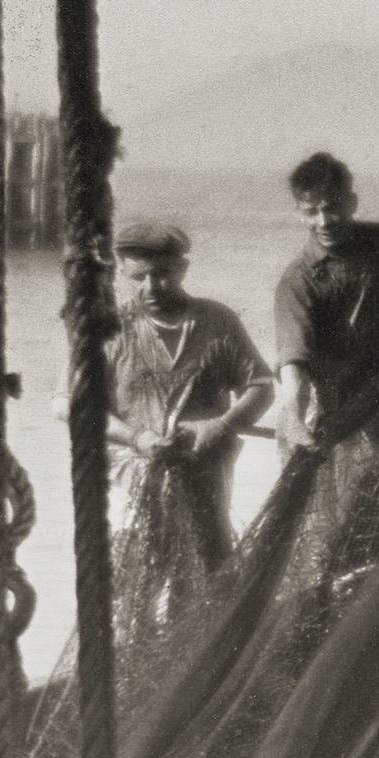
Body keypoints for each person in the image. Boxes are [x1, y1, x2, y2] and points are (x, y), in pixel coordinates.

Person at [53, 219, 272, 592]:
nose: (150, 287)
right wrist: (137, 437)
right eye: (137, 277)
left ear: (183, 268)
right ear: (121, 270)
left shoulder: (218, 321)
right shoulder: (105, 328)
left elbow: (261, 386)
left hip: (205, 477)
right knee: (136, 586)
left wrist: (223, 424)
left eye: (162, 274)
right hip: (129, 482)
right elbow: (66, 405)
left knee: (206, 583)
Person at [272, 152, 379, 454]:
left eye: (332, 208)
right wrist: (293, 415)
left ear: (351, 202)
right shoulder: (297, 282)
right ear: (300, 212)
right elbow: (293, 363)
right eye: (311, 211)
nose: (323, 221)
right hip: (323, 401)